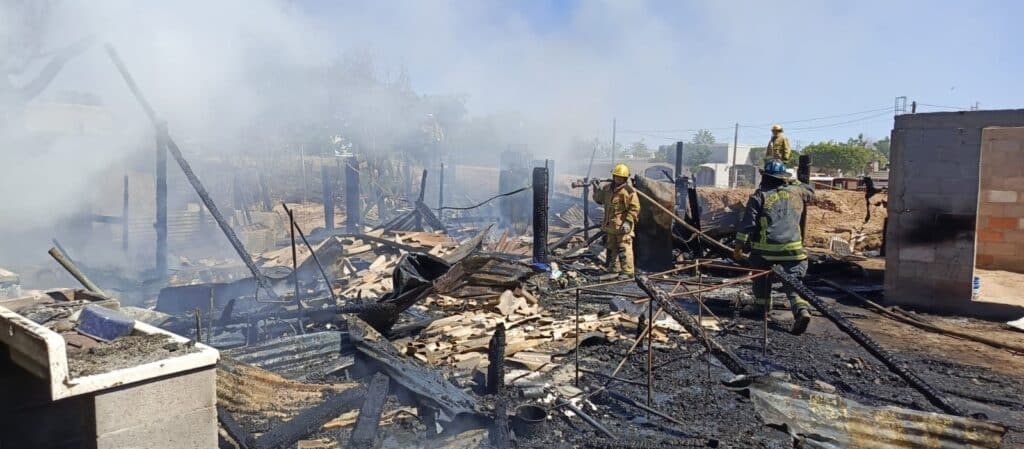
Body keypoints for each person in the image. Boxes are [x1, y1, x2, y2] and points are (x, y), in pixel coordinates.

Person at [733, 160, 814, 334]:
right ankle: (802, 311)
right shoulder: (798, 191)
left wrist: (738, 248)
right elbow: (811, 189)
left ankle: (761, 308)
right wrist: (793, 181)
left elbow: (748, 224)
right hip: (793, 250)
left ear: (765, 177)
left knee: (760, 275)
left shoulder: (759, 195)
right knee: (793, 283)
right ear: (783, 178)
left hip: (765, 251)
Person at [592, 164, 640, 278]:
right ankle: (615, 269)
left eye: (621, 177)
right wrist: (596, 187)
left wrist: (628, 222)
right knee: (612, 248)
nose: (618, 179)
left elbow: (634, 208)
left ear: (625, 179)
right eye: (616, 176)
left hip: (623, 227)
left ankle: (628, 272)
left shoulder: (628, 191)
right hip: (611, 226)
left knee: (624, 248)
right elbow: (599, 200)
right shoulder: (607, 189)